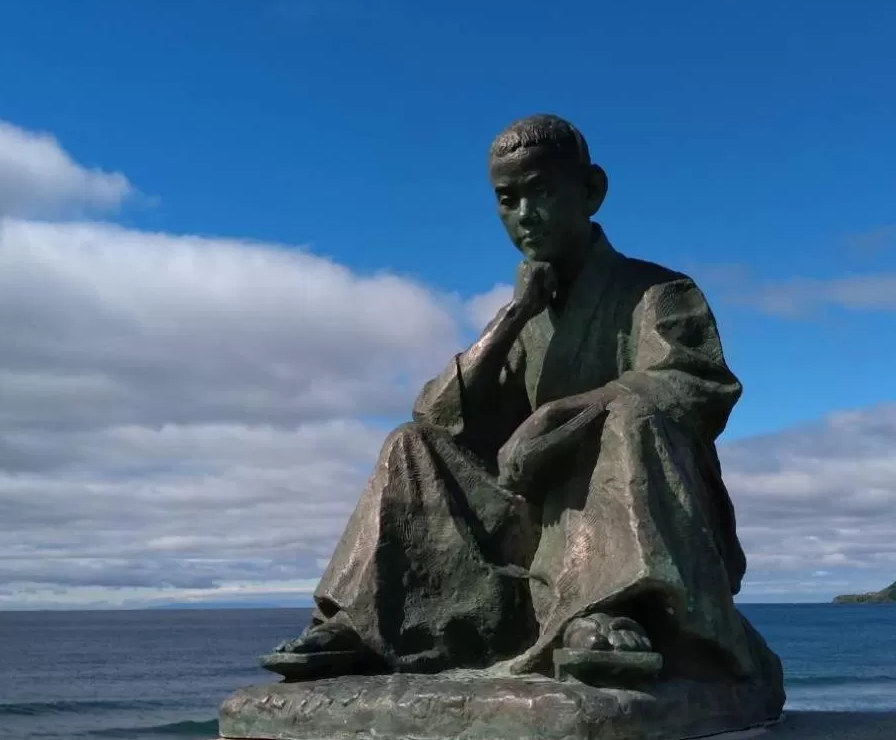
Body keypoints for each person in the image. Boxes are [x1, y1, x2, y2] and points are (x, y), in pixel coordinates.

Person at [264, 115, 780, 690]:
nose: (525, 216)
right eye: (508, 200)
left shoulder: (660, 293)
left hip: (627, 494)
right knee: (410, 445)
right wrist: (513, 316)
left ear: (590, 191)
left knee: (634, 414)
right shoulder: (527, 312)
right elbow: (437, 416)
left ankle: (607, 610)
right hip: (530, 509)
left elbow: (695, 386)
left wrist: (569, 414)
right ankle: (363, 624)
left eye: (542, 192)